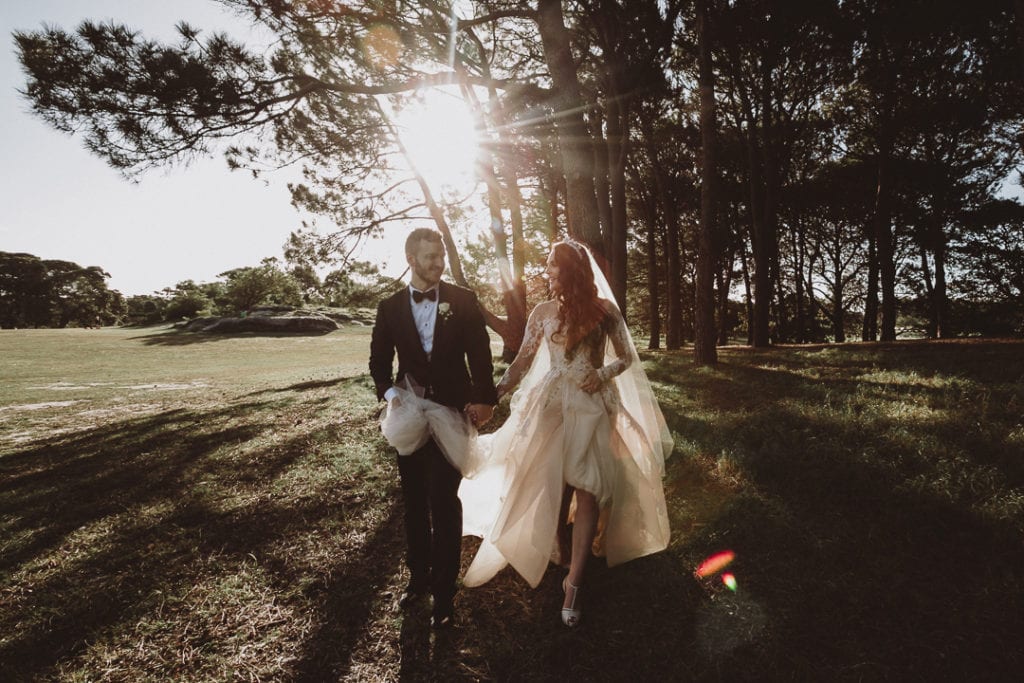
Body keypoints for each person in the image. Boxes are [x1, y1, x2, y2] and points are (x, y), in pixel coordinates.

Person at [460, 240, 673, 628]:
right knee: (552, 481)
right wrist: (489, 396)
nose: (548, 271)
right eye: (547, 266)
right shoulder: (542, 312)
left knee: (588, 485)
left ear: (572, 270)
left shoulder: (604, 311)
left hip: (593, 406)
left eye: (554, 266)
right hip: (553, 403)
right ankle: (557, 545)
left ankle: (574, 582)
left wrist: (601, 374)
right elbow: (522, 362)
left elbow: (626, 357)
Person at [369, 227, 497, 628]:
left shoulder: (463, 300)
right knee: (412, 502)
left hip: (450, 413)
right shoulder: (389, 307)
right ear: (411, 259)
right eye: (430, 257)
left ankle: (444, 594)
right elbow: (377, 363)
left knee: (444, 502)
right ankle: (417, 579)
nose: (438, 263)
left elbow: (480, 355)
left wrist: (485, 399)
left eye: (440, 256)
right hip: (408, 416)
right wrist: (391, 396)